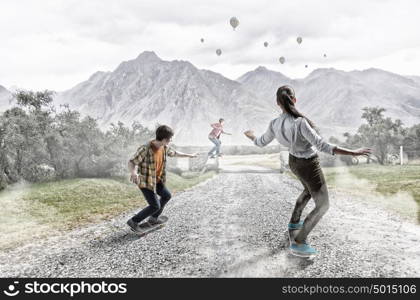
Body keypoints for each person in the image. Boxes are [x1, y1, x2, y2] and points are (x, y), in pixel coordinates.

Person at [244, 85, 371, 257]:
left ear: (277, 103)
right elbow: (322, 145)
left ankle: (294, 223)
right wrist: (352, 152)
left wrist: (251, 135)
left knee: (307, 190)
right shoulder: (300, 122)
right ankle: (299, 241)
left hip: (293, 162)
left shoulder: (274, 123)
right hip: (309, 164)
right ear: (294, 100)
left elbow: (260, 142)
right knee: (324, 204)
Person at [127, 125, 197, 233]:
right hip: (146, 181)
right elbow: (132, 162)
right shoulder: (145, 148)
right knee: (155, 206)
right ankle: (134, 221)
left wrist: (190, 155)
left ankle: (153, 218)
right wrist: (134, 173)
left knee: (166, 195)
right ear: (164, 139)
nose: (171, 141)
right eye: (170, 139)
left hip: (158, 180)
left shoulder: (164, 147)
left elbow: (175, 153)